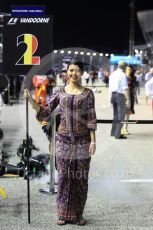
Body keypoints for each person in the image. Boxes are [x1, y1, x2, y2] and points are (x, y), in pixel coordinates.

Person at [24, 60, 97, 226]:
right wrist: (30, 100)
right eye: (71, 70)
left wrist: (93, 141)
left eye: (77, 71)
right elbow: (46, 111)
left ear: (82, 73)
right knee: (64, 177)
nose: (73, 74)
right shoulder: (59, 92)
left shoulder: (88, 94)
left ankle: (78, 214)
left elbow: (91, 118)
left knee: (80, 179)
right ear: (67, 72)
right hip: (63, 140)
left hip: (83, 141)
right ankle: (63, 214)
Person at [109, 61, 130, 139]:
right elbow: (125, 88)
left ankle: (113, 132)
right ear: (124, 67)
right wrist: (128, 99)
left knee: (115, 115)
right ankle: (118, 135)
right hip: (120, 96)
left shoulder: (112, 74)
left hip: (113, 95)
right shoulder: (123, 75)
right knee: (121, 115)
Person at [121, 65, 136, 135]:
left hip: (131, 96)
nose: (129, 70)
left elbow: (133, 88)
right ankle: (121, 128)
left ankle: (125, 128)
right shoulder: (123, 77)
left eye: (130, 69)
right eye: (127, 69)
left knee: (128, 113)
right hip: (124, 96)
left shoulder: (133, 77)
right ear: (125, 69)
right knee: (123, 113)